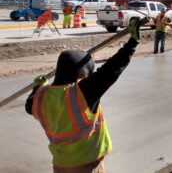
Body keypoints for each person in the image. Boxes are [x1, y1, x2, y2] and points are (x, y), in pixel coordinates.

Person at [25, 18, 141, 173]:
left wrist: (37, 87)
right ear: (82, 74)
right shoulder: (82, 92)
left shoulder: (41, 96)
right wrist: (131, 44)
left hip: (61, 164)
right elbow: (110, 71)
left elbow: (29, 105)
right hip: (87, 164)